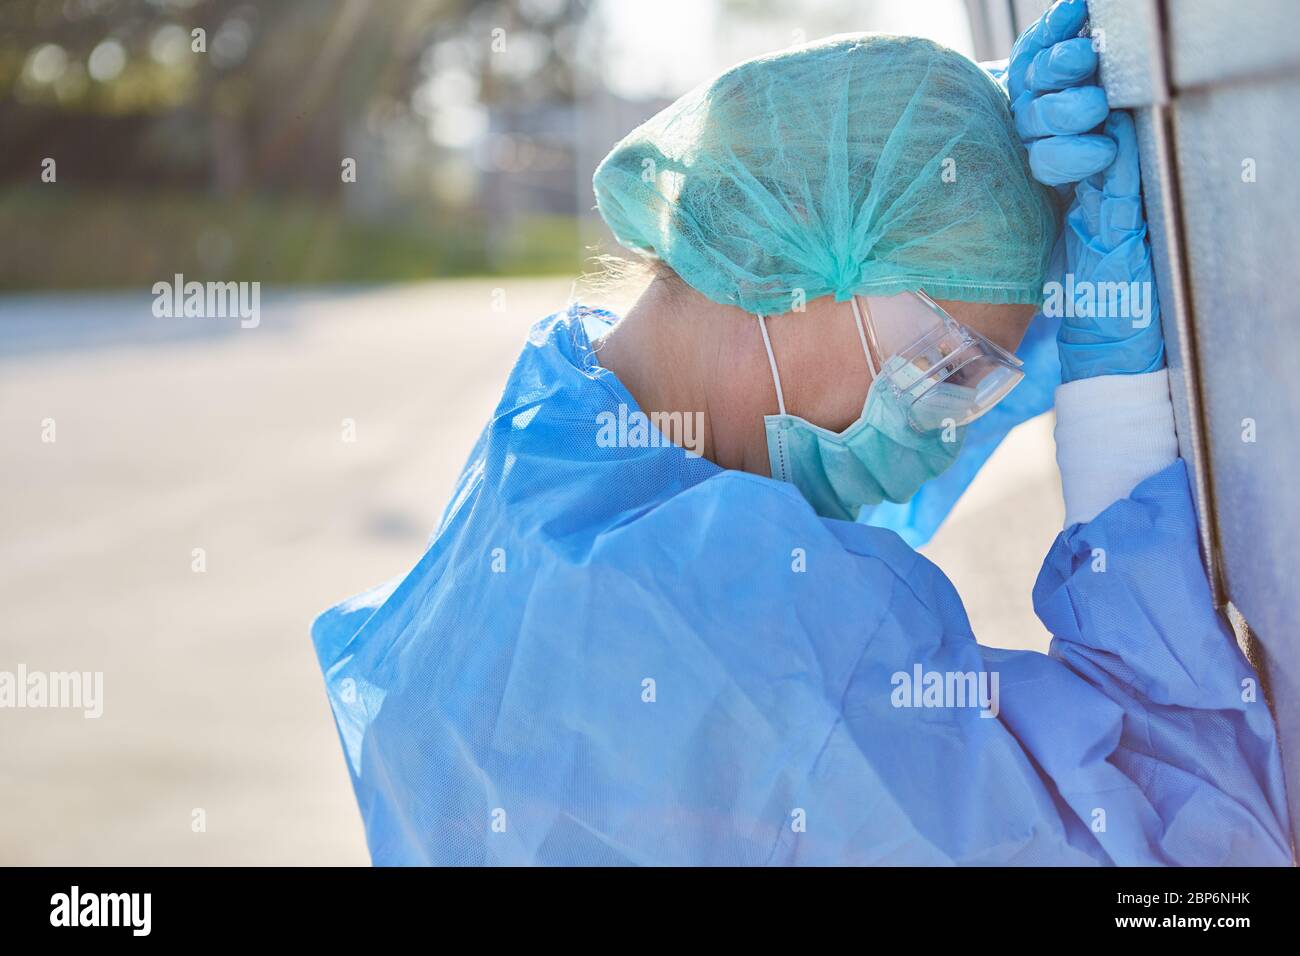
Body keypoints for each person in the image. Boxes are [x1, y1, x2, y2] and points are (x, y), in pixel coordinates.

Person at [313, 2, 1291, 865]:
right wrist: (1118, 417)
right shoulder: (746, 662)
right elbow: (1193, 858)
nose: (941, 425)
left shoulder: (553, 450)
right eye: (946, 361)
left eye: (977, 383)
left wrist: (967, 172)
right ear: (783, 264)